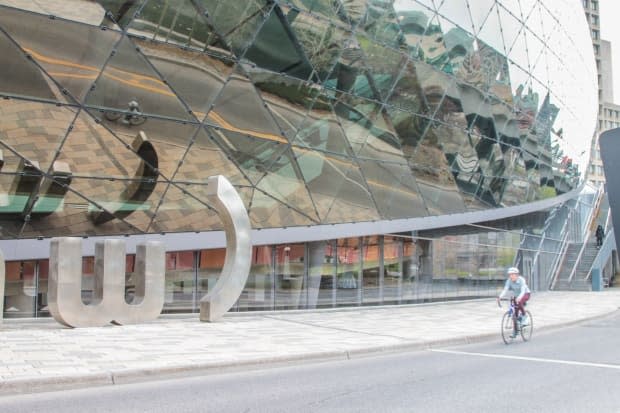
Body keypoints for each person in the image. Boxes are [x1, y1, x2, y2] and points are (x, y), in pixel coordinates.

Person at [497, 267, 531, 338]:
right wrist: (500, 297)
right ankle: (515, 332)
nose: (511, 276)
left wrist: (519, 298)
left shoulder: (521, 280)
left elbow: (523, 291)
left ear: (517, 275)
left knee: (519, 301)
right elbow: (505, 290)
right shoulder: (509, 281)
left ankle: (525, 317)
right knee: (514, 315)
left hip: (525, 294)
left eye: (512, 274)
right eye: (510, 275)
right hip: (516, 295)